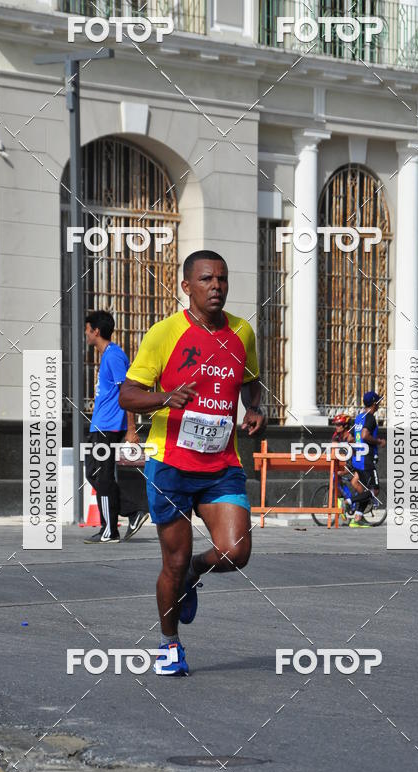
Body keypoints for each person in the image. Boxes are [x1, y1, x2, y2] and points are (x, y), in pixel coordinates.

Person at [119, 250, 266, 675]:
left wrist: (254, 409)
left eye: (222, 279)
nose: (216, 286)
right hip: (171, 465)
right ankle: (169, 645)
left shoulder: (242, 331)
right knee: (173, 561)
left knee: (236, 552)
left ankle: (193, 576)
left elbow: (251, 382)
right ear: (187, 287)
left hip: (221, 463)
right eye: (206, 279)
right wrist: (165, 397)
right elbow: (128, 394)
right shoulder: (164, 334)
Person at [83, 310, 149, 543]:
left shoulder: (114, 356)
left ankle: (110, 529)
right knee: (94, 473)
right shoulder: (108, 356)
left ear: (96, 331)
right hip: (101, 425)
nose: (86, 334)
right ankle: (132, 511)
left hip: (110, 426)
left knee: (101, 476)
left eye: (88, 330)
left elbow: (127, 392)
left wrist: (131, 429)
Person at [349, 390, 386, 528]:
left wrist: (355, 449)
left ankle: (358, 517)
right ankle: (348, 501)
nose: (379, 406)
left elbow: (350, 438)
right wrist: (379, 442)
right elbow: (364, 435)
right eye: (378, 403)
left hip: (357, 459)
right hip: (366, 459)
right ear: (374, 404)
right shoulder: (370, 417)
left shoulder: (359, 417)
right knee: (374, 490)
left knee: (365, 490)